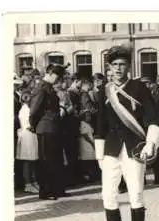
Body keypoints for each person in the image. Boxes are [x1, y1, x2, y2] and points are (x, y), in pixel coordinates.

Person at [94, 45, 159, 221]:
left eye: (122, 64)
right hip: (111, 149)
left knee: (135, 193)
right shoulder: (103, 91)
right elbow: (100, 125)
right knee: (108, 195)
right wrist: (99, 154)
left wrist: (150, 143)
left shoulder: (139, 89)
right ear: (109, 67)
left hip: (134, 147)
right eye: (114, 65)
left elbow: (154, 118)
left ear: (128, 66)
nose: (118, 68)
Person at [29, 64, 70, 200]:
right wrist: (35, 126)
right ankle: (46, 191)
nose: (58, 81)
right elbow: (34, 110)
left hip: (53, 128)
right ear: (50, 74)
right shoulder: (41, 88)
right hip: (46, 128)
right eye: (57, 77)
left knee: (56, 160)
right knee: (47, 161)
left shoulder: (48, 88)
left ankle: (57, 188)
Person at [16, 91, 39, 193]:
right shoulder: (24, 110)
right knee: (28, 160)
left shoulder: (29, 108)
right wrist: (33, 128)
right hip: (27, 135)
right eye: (27, 97)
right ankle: (28, 184)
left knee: (33, 160)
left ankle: (34, 181)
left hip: (32, 135)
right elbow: (28, 124)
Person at [78, 110, 99, 183]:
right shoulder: (82, 124)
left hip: (90, 143)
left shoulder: (88, 124)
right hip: (86, 144)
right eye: (87, 116)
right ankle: (87, 177)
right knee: (87, 161)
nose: (89, 117)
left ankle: (91, 176)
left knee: (91, 160)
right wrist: (91, 142)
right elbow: (84, 135)